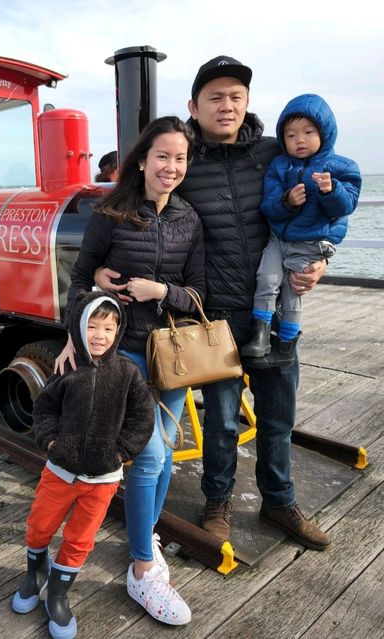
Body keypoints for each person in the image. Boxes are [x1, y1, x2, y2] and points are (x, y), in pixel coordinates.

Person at [95, 56, 331, 551]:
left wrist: (322, 261)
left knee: (278, 414)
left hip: (278, 309)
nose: (227, 106)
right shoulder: (184, 161)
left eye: (236, 97)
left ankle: (279, 501)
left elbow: (320, 209)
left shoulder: (274, 153)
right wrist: (97, 268)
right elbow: (141, 211)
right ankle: (217, 503)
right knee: (222, 421)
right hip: (215, 315)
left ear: (247, 103)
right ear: (194, 106)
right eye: (215, 97)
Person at [55, 115, 204, 625]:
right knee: (148, 457)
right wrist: (77, 336)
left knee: (162, 460)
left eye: (180, 158)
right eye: (162, 156)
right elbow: (78, 279)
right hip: (127, 356)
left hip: (173, 355)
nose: (171, 167)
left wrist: (160, 291)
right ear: (142, 160)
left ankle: (149, 537)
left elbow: (199, 294)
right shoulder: (110, 213)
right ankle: (143, 569)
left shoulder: (189, 219)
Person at [12, 290, 155, 639]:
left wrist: (120, 452)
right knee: (39, 526)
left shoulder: (128, 373)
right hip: (60, 470)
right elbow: (44, 409)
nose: (99, 335)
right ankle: (35, 575)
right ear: (79, 326)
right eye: (92, 326)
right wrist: (50, 442)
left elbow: (143, 418)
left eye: (108, 328)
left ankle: (58, 597)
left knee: (80, 539)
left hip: (103, 478)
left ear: (118, 331)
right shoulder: (67, 367)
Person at [241, 93, 361, 365]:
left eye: (308, 132)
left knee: (293, 292)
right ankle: (260, 336)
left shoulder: (342, 167)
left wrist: (331, 191)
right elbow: (268, 205)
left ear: (325, 133)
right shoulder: (278, 165)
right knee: (268, 280)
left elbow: (345, 207)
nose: (300, 140)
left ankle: (287, 344)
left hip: (308, 243)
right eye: (291, 135)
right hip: (277, 239)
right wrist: (287, 202)